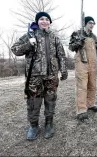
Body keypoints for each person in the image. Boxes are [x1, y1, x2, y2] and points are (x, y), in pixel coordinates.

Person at [11, 11, 68, 141]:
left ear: (49, 22)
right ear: (37, 21)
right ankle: (33, 126)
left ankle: (49, 124)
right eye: (41, 19)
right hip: (34, 76)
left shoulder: (54, 37)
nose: (44, 21)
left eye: (47, 19)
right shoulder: (30, 35)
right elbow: (14, 49)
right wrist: (28, 44)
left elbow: (61, 55)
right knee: (33, 102)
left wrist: (63, 70)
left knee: (50, 100)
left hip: (51, 76)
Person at [69, 16, 97, 122]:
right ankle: (81, 110)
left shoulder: (94, 36)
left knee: (92, 85)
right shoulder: (77, 34)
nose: (92, 25)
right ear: (85, 23)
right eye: (90, 22)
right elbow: (71, 47)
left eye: (93, 23)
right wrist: (78, 43)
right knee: (82, 86)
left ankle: (91, 104)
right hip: (81, 63)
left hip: (93, 64)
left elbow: (96, 50)